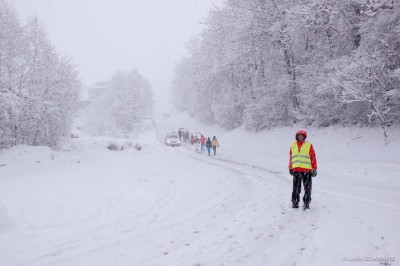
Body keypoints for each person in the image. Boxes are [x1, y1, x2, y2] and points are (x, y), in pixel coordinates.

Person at [289, 129, 317, 209]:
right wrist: (290, 167)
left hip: (307, 171)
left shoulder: (309, 145)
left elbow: (313, 157)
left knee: (307, 188)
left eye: (302, 135)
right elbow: (291, 157)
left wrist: (314, 168)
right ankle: (295, 203)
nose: (300, 137)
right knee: (296, 188)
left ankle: (306, 203)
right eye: (299, 135)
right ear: (296, 136)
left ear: (304, 137)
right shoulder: (293, 145)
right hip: (296, 170)